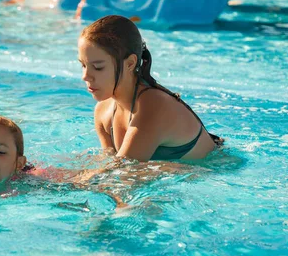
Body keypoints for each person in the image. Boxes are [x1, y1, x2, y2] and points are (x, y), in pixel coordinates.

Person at [78, 15, 224, 162]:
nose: (85, 76)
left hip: (217, 173)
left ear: (130, 63)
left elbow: (122, 175)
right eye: (83, 65)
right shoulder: (103, 111)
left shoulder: (154, 106)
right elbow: (110, 165)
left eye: (98, 67)